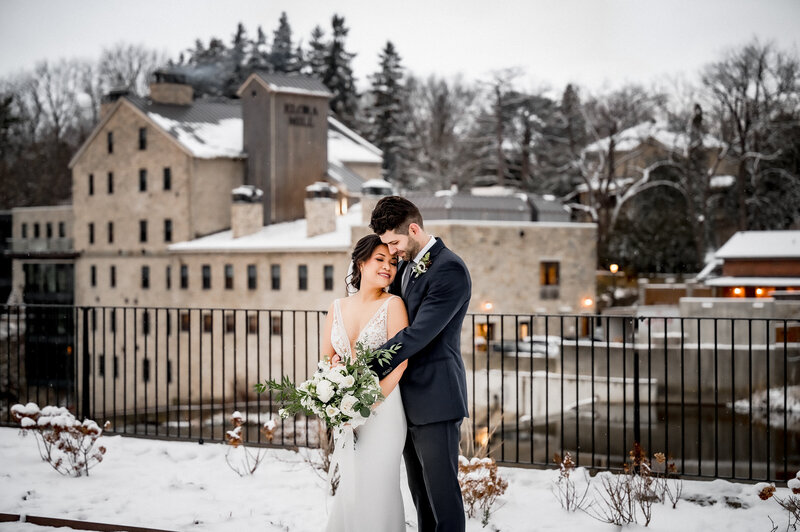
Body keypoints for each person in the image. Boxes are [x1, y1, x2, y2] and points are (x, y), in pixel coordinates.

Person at [370, 196, 471, 532]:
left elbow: (417, 335)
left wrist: (369, 367)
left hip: (437, 399)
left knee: (443, 500)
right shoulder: (409, 267)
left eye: (395, 243)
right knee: (422, 500)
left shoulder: (449, 269)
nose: (393, 252)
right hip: (407, 402)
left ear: (413, 229)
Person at [321, 234, 410, 532]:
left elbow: (401, 361)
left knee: (379, 482)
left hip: (383, 409)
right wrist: (337, 394)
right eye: (380, 260)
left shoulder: (394, 304)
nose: (388, 267)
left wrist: (371, 403)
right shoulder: (336, 306)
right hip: (346, 411)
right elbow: (326, 360)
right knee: (354, 483)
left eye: (393, 262)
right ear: (360, 263)